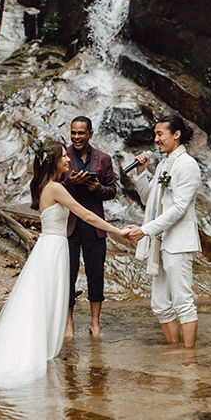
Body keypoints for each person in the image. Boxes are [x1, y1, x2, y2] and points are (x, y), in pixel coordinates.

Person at [0, 141, 128, 387]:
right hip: (54, 248)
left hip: (49, 246)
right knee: (48, 298)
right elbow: (85, 214)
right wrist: (118, 231)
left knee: (42, 299)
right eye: (64, 156)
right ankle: (40, 351)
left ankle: (42, 347)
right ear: (53, 161)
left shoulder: (44, 186)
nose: (68, 160)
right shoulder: (55, 188)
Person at [126, 115, 202, 349]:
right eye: (155, 134)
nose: (156, 139)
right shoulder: (162, 164)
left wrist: (146, 230)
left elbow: (179, 208)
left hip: (178, 241)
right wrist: (141, 173)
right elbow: (151, 198)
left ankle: (189, 359)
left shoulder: (187, 164)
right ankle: (173, 354)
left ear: (176, 134)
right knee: (160, 303)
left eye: (160, 134)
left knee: (182, 300)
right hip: (161, 241)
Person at [61, 116, 117, 339]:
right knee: (68, 275)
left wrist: (96, 188)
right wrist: (70, 184)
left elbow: (111, 191)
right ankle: (68, 322)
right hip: (69, 226)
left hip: (95, 226)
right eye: (73, 133)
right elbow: (51, 186)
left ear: (91, 133)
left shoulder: (103, 159)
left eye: (81, 133)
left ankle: (95, 323)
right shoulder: (62, 156)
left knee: (96, 274)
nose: (76, 137)